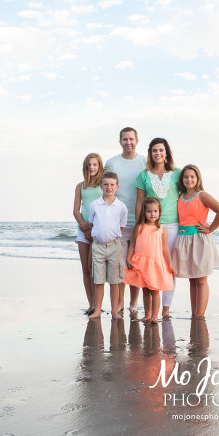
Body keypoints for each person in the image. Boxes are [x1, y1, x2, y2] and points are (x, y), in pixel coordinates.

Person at [134, 138, 181, 318]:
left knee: (168, 267)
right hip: (150, 228)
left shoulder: (177, 173)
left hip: (173, 225)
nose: (158, 153)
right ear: (150, 153)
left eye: (161, 150)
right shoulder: (143, 176)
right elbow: (139, 203)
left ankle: (166, 308)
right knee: (149, 266)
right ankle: (150, 311)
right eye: (154, 150)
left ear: (166, 152)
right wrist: (140, 226)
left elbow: (187, 196)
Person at [171, 164, 219, 318]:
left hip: (199, 240)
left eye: (192, 177)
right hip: (184, 240)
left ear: (197, 178)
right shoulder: (180, 197)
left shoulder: (202, 195)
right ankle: (194, 312)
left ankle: (199, 316)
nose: (189, 179)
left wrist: (210, 229)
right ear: (182, 179)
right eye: (186, 177)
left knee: (201, 280)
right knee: (192, 280)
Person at [104, 127, 147, 314]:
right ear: (120, 141)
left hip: (140, 221)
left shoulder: (144, 162)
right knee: (119, 264)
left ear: (137, 140)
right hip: (118, 224)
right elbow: (104, 189)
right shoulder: (111, 163)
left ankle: (133, 303)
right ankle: (120, 302)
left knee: (135, 266)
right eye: (124, 139)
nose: (128, 142)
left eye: (131, 139)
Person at [124, 197, 174, 324]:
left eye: (155, 211)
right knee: (145, 290)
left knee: (155, 290)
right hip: (141, 262)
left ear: (159, 212)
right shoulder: (138, 228)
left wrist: (170, 263)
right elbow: (132, 245)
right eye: (149, 211)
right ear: (144, 212)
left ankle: (155, 316)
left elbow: (165, 248)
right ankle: (147, 314)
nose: (153, 214)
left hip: (155, 264)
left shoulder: (161, 229)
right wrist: (128, 258)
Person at [88, 171, 128, 320]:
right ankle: (97, 310)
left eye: (112, 185)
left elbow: (121, 227)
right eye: (106, 184)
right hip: (98, 246)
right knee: (98, 280)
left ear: (117, 187)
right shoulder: (95, 205)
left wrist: (112, 238)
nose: (109, 187)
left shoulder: (121, 207)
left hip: (114, 247)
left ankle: (114, 311)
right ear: (101, 186)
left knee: (114, 281)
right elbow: (92, 223)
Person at [73, 153, 103, 314]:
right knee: (85, 268)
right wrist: (84, 227)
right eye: (89, 165)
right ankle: (90, 304)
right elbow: (75, 210)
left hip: (98, 231)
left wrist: (93, 229)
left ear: (99, 166)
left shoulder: (102, 185)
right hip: (82, 231)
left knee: (93, 269)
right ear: (85, 167)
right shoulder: (80, 186)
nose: (92, 167)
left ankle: (97, 304)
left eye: (95, 164)